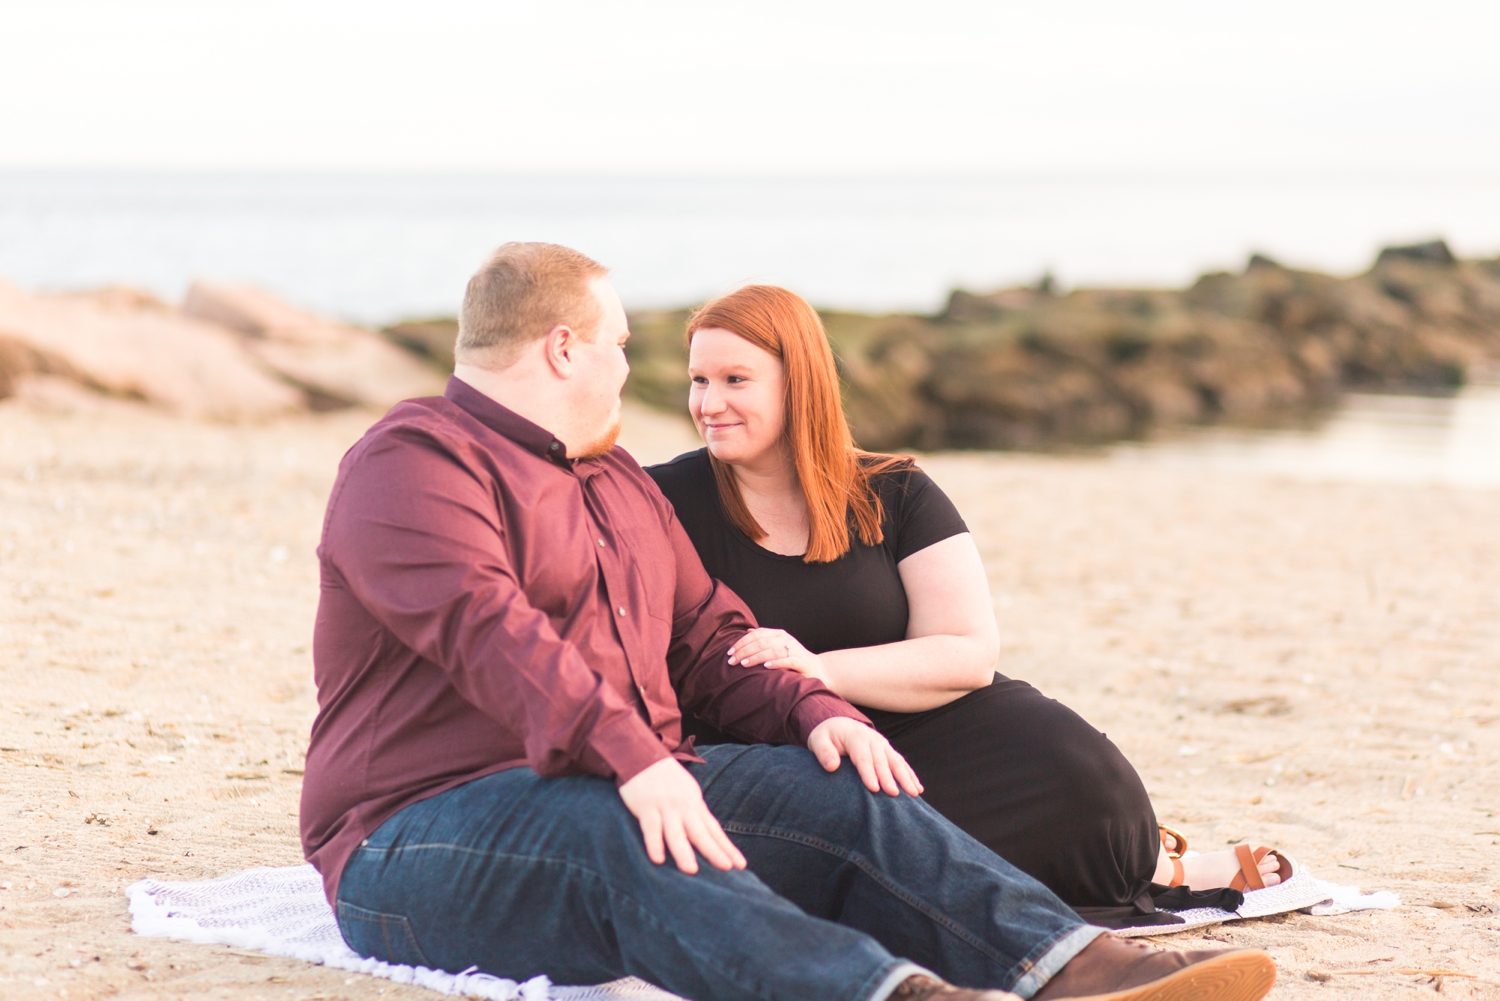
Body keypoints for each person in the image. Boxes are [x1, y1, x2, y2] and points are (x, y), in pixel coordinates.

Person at [300, 243, 1278, 1001]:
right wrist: (635, 757)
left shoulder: (612, 482)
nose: (631, 368)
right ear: (564, 347)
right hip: (417, 829)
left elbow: (709, 634)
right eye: (622, 345)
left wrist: (816, 709)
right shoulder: (416, 460)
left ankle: (1071, 965)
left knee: (840, 784)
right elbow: (489, 628)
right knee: (620, 824)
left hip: (621, 779)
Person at [645, 285, 1295, 930]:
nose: (709, 403)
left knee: (1084, 775)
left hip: (928, 722)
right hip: (784, 749)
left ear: (801, 382)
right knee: (868, 836)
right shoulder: (659, 498)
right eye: (699, 379)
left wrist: (819, 667)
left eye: (736, 379)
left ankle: (1159, 864)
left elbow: (969, 652)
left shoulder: (895, 489)